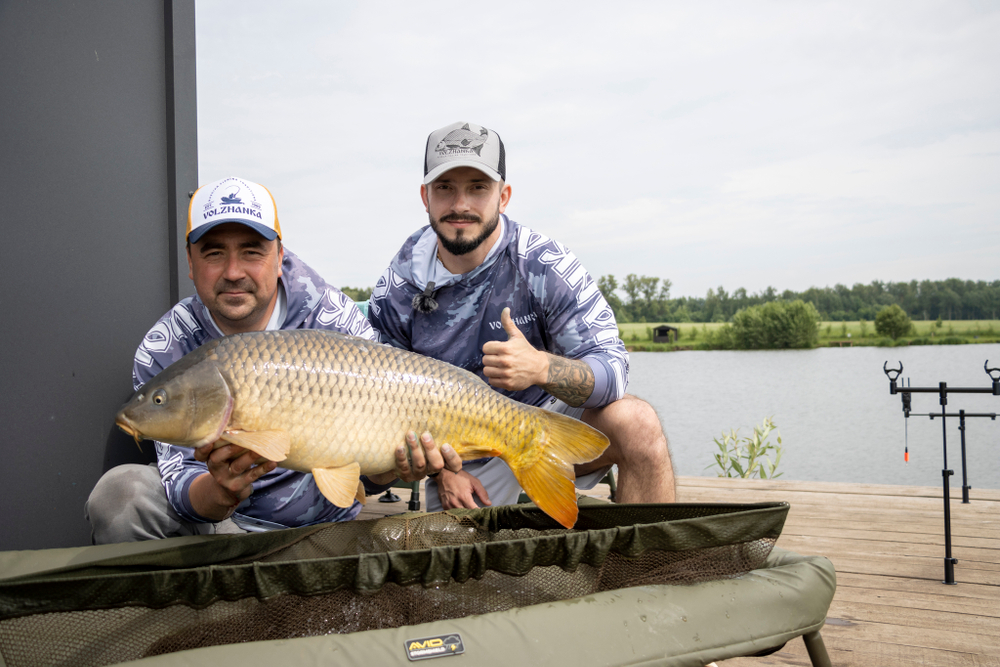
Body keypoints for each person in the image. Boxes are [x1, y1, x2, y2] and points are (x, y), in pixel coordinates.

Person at [86, 176, 460, 544]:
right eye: (214, 253)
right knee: (119, 496)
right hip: (216, 527)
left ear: (280, 256)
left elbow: (369, 470)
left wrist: (395, 469)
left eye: (251, 251)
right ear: (190, 261)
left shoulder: (334, 319)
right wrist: (222, 491)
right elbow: (180, 478)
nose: (233, 272)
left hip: (321, 527)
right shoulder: (165, 345)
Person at [368, 122, 675, 512]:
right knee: (462, 564)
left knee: (637, 423)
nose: (460, 204)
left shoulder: (545, 264)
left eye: (478, 188)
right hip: (461, 457)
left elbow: (613, 370)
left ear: (504, 196)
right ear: (425, 196)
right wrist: (444, 469)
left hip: (544, 421)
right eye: (445, 188)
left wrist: (541, 367)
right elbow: (380, 405)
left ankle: (653, 567)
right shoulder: (398, 286)